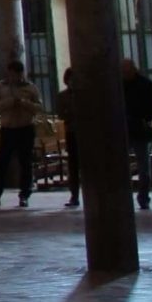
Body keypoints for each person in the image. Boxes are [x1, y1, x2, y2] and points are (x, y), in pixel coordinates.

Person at [0, 59, 43, 209]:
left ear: (21, 74)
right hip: (8, 129)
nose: (14, 77)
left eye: (17, 74)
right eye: (11, 74)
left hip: (25, 129)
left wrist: (25, 103)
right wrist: (9, 102)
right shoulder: (1, 87)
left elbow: (39, 107)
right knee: (2, 163)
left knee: (25, 163)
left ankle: (24, 195)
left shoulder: (30, 88)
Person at [121, 58, 152, 211]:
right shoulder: (118, 85)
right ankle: (125, 196)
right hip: (123, 128)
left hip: (138, 128)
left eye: (127, 70)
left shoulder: (145, 85)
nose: (125, 73)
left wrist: (143, 118)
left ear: (134, 69)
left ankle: (143, 197)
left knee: (143, 166)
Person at [62, 65, 80, 209]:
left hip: (86, 134)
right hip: (72, 132)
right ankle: (74, 195)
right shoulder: (62, 96)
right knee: (73, 165)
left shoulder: (85, 95)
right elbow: (62, 114)